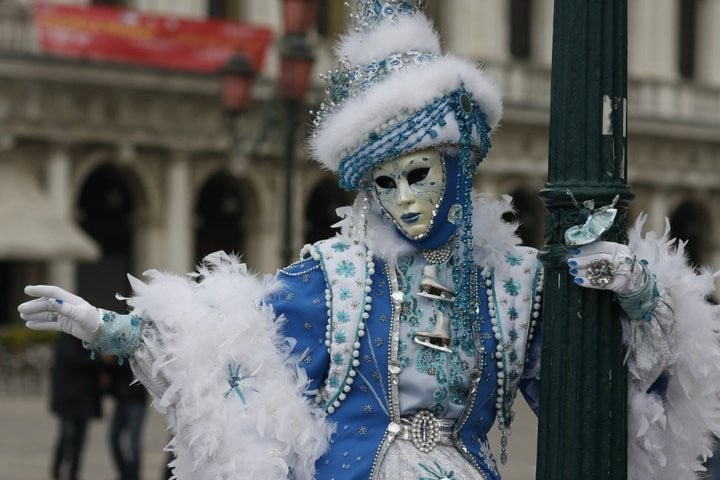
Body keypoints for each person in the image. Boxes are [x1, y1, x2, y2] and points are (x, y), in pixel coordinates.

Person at [18, 2, 720, 479]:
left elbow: (596, 403)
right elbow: (230, 333)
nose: (406, 199)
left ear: (457, 165)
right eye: (386, 184)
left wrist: (646, 297)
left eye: (420, 174)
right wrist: (112, 327)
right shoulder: (336, 279)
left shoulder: (513, 288)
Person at [49, 333, 103, 480]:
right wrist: (98, 358)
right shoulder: (68, 336)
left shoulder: (91, 337)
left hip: (85, 399)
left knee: (80, 441)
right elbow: (72, 357)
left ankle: (73, 473)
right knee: (68, 436)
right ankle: (58, 469)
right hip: (67, 399)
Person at [102, 357, 148, 480]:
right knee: (113, 438)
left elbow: (139, 365)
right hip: (121, 398)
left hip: (136, 399)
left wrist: (113, 361)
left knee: (133, 442)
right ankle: (126, 474)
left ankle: (134, 476)